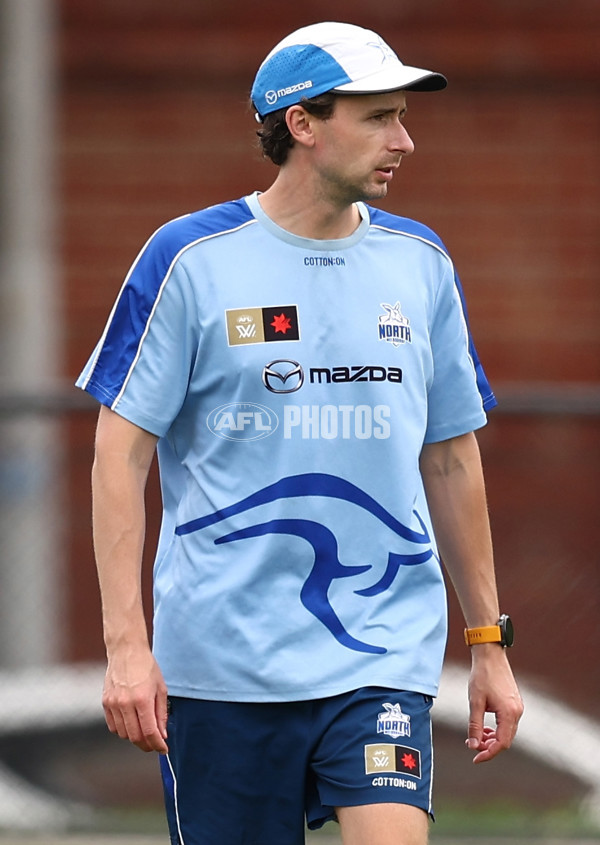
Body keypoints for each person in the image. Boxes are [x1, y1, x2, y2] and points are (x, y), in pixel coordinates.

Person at [77, 21, 523, 845]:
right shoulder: (189, 258)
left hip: (380, 653)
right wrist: (126, 646)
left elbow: (452, 459)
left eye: (402, 117)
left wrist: (488, 643)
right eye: (380, 118)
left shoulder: (421, 262)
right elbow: (118, 453)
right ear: (302, 123)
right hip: (221, 667)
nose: (405, 140)